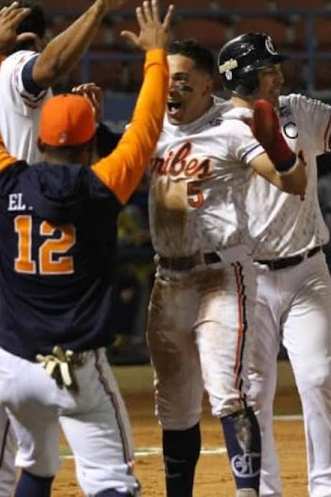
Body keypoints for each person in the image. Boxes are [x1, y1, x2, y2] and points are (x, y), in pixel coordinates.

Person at [0, 0, 173, 497]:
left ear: (41, 137)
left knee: (36, 468)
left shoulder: (6, 181)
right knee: (111, 480)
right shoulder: (104, 187)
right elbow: (146, 127)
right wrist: (155, 55)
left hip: (14, 367)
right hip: (75, 367)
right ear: (86, 144)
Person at [145, 38, 307, 497]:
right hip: (168, 278)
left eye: (181, 79)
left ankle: (247, 494)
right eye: (166, 78)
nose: (171, 87)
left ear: (205, 85)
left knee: (227, 392)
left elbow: (293, 183)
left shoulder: (233, 126)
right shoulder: (151, 125)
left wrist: (276, 145)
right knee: (173, 404)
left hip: (221, 274)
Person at [218, 32, 331, 497]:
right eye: (268, 69)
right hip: (248, 277)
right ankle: (265, 492)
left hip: (308, 269)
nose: (278, 73)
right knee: (254, 393)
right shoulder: (216, 127)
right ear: (243, 77)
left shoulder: (298, 110)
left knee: (320, 377)